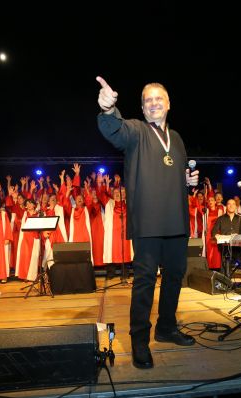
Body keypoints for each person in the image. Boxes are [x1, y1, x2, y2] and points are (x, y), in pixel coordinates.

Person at [96, 76, 199, 369]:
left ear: (168, 104)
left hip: (176, 220)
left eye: (159, 99)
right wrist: (107, 110)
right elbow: (114, 130)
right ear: (142, 107)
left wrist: (188, 180)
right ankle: (140, 340)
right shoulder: (136, 131)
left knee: (175, 277)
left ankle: (167, 327)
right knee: (144, 283)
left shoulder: (176, 138)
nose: (154, 103)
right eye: (148, 100)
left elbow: (174, 170)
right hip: (148, 222)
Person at [211, 199, 241, 275]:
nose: (231, 206)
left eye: (233, 204)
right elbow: (213, 232)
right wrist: (216, 235)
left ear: (236, 206)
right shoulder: (221, 219)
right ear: (226, 206)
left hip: (238, 246)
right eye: (229, 204)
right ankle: (225, 279)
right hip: (225, 246)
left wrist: (237, 236)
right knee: (225, 252)